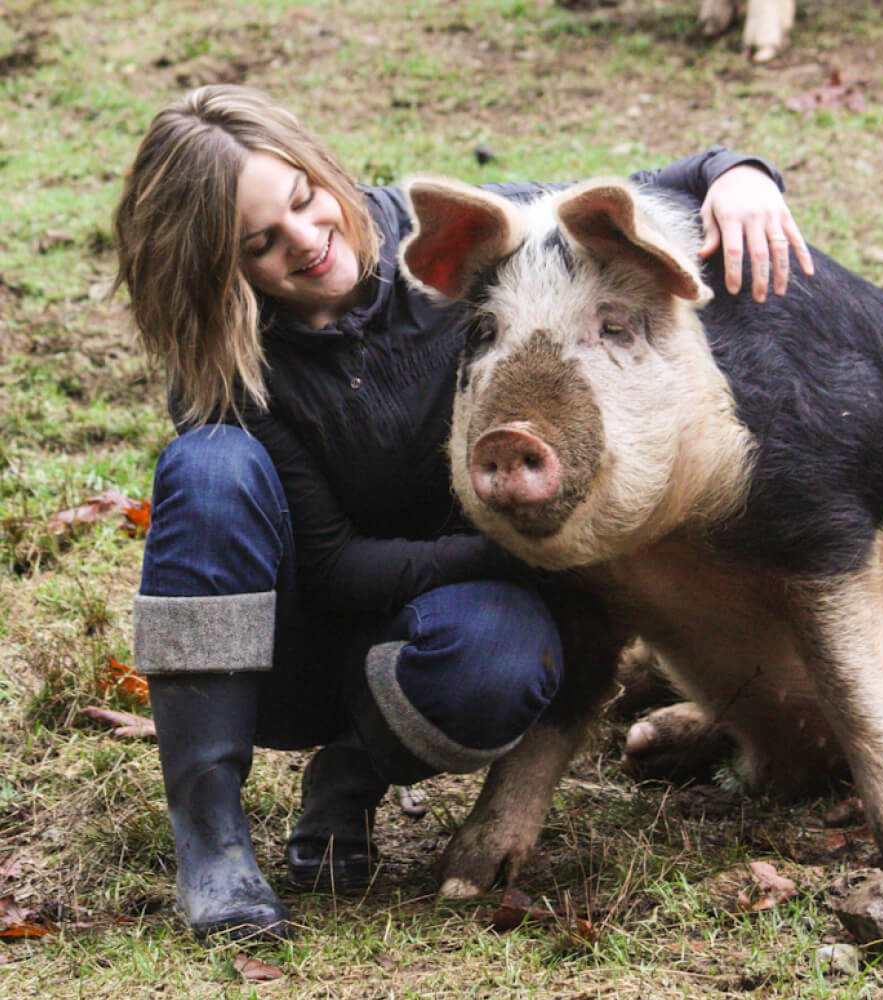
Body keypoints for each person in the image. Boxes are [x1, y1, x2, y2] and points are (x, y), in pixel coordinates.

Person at [112, 84, 813, 942]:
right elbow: (331, 565)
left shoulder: (451, 241)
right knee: (208, 468)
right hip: (283, 646)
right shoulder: (221, 355)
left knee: (500, 661)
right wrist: (517, 557)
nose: (306, 239)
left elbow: (632, 194)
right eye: (260, 243)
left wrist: (738, 174)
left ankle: (357, 772)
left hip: (446, 629)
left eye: (304, 200)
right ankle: (211, 839)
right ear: (216, 268)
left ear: (320, 168)